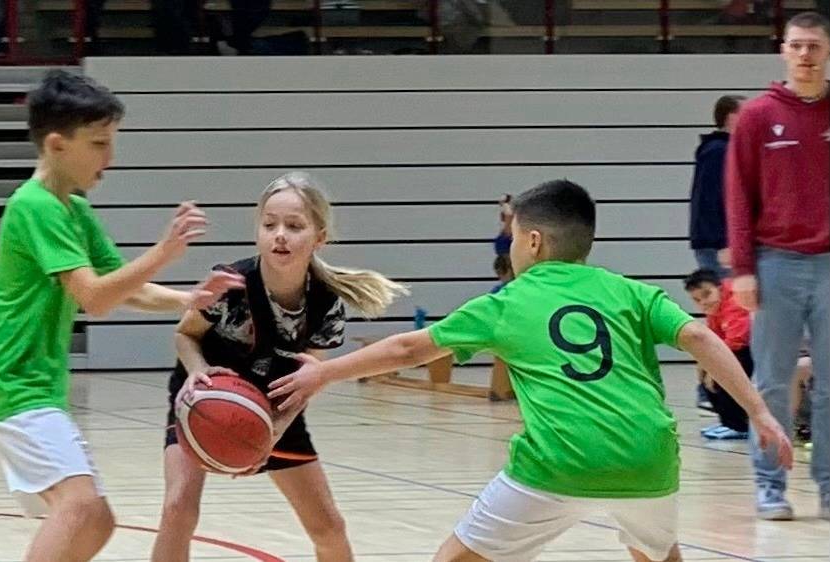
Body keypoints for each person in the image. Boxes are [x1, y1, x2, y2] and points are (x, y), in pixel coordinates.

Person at [268, 180, 793, 562]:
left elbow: (409, 348)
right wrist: (760, 411)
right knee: (656, 553)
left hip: (558, 463)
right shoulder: (630, 290)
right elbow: (702, 337)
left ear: (534, 242)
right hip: (648, 460)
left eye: (515, 236)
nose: (513, 246)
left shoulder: (508, 302)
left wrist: (324, 373)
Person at [0, 70, 244, 562]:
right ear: (56, 145)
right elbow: (94, 298)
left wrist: (186, 298)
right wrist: (164, 251)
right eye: (98, 144)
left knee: (96, 520)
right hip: (12, 382)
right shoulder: (35, 207)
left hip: (33, 385)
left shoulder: (72, 208)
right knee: (78, 508)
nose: (109, 159)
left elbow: (124, 288)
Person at [152, 172, 406, 562]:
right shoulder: (231, 284)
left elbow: (307, 383)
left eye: (294, 225)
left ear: (319, 237)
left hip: (277, 404)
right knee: (177, 509)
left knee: (329, 527)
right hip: (205, 396)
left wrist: (270, 435)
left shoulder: (326, 303)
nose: (280, 235)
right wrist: (198, 369)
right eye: (269, 225)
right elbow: (185, 336)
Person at [725, 10, 830, 521]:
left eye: (814, 45)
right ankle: (770, 487)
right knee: (770, 382)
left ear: (828, 50)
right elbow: (739, 197)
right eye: (797, 45)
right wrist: (743, 268)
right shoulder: (757, 116)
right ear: (783, 50)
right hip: (776, 265)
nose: (806, 54)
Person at [684, 268, 753, 440]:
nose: (703, 303)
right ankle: (728, 422)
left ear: (720, 287)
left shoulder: (736, 300)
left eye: (707, 295)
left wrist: (714, 368)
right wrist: (704, 364)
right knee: (708, 372)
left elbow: (738, 339)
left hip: (752, 352)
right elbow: (713, 337)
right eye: (697, 300)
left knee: (723, 372)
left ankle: (738, 425)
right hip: (738, 350)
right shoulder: (716, 308)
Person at [689, 95, 744, 279]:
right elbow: (710, 199)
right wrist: (723, 243)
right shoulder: (719, 151)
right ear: (731, 117)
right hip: (718, 245)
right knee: (730, 303)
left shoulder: (724, 150)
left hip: (720, 242)